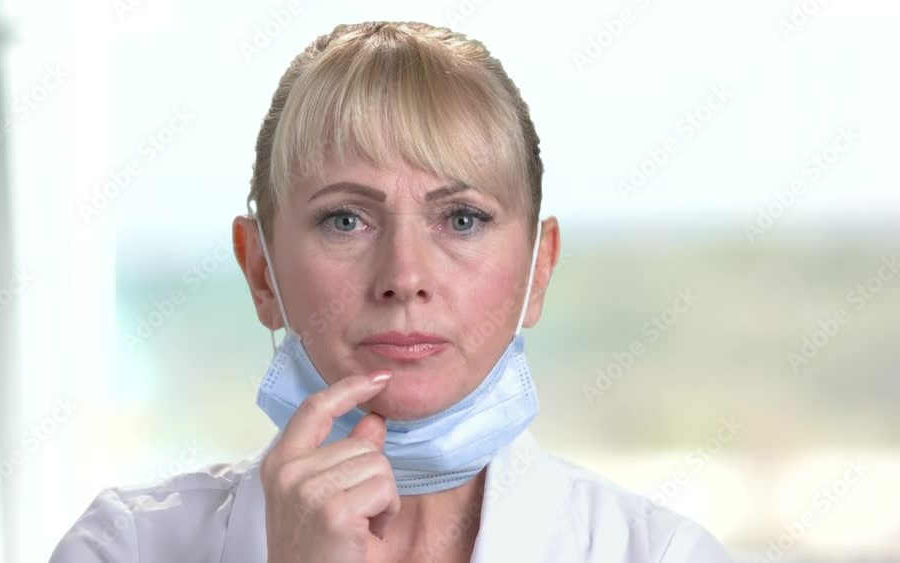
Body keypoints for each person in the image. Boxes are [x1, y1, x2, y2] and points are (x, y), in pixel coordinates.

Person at [49, 20, 734, 563]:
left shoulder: (661, 553)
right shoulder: (124, 547)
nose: (404, 276)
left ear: (539, 269)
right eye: (345, 219)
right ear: (261, 271)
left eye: (461, 219)